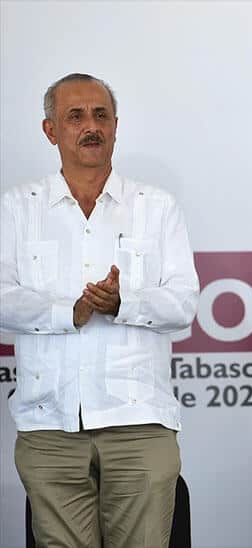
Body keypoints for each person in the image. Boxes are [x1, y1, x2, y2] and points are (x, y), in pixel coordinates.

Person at [0, 73, 199, 546]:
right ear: (50, 130)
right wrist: (67, 311)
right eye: (75, 116)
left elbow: (183, 302)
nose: (91, 126)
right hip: (50, 425)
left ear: (115, 126)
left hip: (139, 423)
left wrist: (123, 302)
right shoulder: (17, 208)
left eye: (101, 115)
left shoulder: (157, 207)